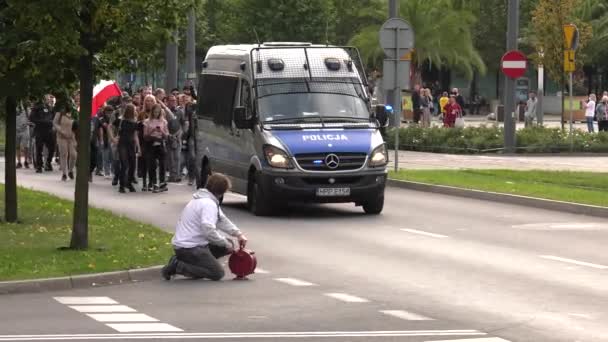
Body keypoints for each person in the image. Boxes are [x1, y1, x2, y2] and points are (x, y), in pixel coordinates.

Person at [161, 173, 248, 281]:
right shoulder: (208, 204)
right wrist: (224, 243)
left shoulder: (204, 200)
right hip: (190, 248)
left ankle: (190, 262)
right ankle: (178, 266)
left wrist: (238, 234)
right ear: (221, 193)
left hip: (190, 245)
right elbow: (208, 231)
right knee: (217, 273)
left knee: (227, 244)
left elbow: (221, 220)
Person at [114, 104, 140, 193]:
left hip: (131, 144)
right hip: (122, 144)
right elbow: (110, 126)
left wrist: (138, 147)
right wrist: (113, 138)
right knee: (124, 164)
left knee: (132, 164)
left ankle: (128, 182)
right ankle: (121, 185)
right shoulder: (120, 121)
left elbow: (135, 135)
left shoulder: (135, 122)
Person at [144, 103, 169, 193]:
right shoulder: (147, 121)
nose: (156, 114)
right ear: (152, 112)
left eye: (158, 112)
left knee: (162, 164)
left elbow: (167, 135)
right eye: (155, 112)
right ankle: (153, 182)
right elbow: (145, 135)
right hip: (151, 143)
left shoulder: (164, 121)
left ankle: (162, 182)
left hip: (160, 143)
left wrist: (161, 131)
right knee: (152, 165)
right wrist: (153, 130)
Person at [30, 95, 56, 173]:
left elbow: (54, 118)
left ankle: (48, 162)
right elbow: (32, 118)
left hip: (49, 131)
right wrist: (43, 122)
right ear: (43, 99)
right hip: (39, 131)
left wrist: (51, 123)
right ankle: (39, 166)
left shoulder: (51, 109)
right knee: (39, 149)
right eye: (47, 99)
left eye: (49, 99)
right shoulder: (37, 108)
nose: (49, 100)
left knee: (52, 148)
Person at [53, 103, 77, 181]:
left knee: (74, 155)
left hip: (71, 137)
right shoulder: (59, 113)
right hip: (61, 137)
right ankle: (64, 173)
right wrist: (61, 130)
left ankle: (70, 170)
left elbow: (76, 124)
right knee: (64, 154)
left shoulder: (73, 113)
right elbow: (55, 123)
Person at [166, 95, 186, 182]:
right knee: (170, 157)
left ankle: (177, 175)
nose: (173, 102)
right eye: (171, 100)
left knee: (177, 157)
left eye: (174, 100)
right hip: (168, 136)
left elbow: (183, 124)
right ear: (167, 101)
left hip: (178, 137)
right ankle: (172, 175)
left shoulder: (180, 112)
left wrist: (181, 133)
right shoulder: (165, 111)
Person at [138, 95, 156, 191]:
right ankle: (145, 182)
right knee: (144, 162)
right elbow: (137, 128)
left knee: (152, 163)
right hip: (143, 140)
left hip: (154, 140)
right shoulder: (141, 114)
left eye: (151, 101)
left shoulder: (157, 114)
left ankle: (151, 182)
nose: (149, 103)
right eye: (147, 101)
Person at [16, 101, 32, 169]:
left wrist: (26, 124)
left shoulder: (27, 109)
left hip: (25, 130)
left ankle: (26, 161)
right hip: (16, 130)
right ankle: (19, 162)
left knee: (25, 146)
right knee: (17, 146)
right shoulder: (14, 108)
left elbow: (30, 119)